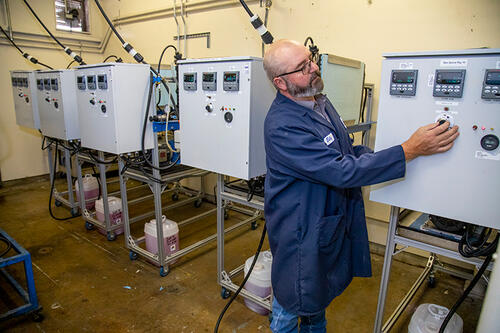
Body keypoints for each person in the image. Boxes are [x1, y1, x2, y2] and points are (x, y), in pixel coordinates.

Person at [262, 39, 459, 332]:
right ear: (281, 82)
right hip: (300, 229)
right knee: (292, 302)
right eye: (303, 67)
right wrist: (407, 151)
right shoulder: (283, 124)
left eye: (311, 59)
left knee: (316, 299)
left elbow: (346, 151)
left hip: (322, 221)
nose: (314, 67)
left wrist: (391, 153)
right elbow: (341, 170)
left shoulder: (319, 102)